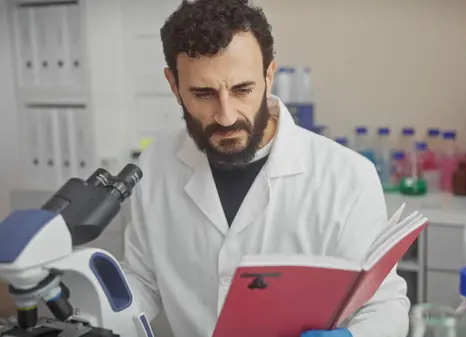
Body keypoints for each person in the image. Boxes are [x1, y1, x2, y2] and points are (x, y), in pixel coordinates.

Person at [121, 0, 411, 336]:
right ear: (174, 86)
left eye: (242, 89)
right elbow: (142, 279)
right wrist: (93, 312)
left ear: (269, 75)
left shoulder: (347, 177)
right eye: (204, 94)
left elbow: (382, 304)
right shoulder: (154, 167)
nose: (226, 116)